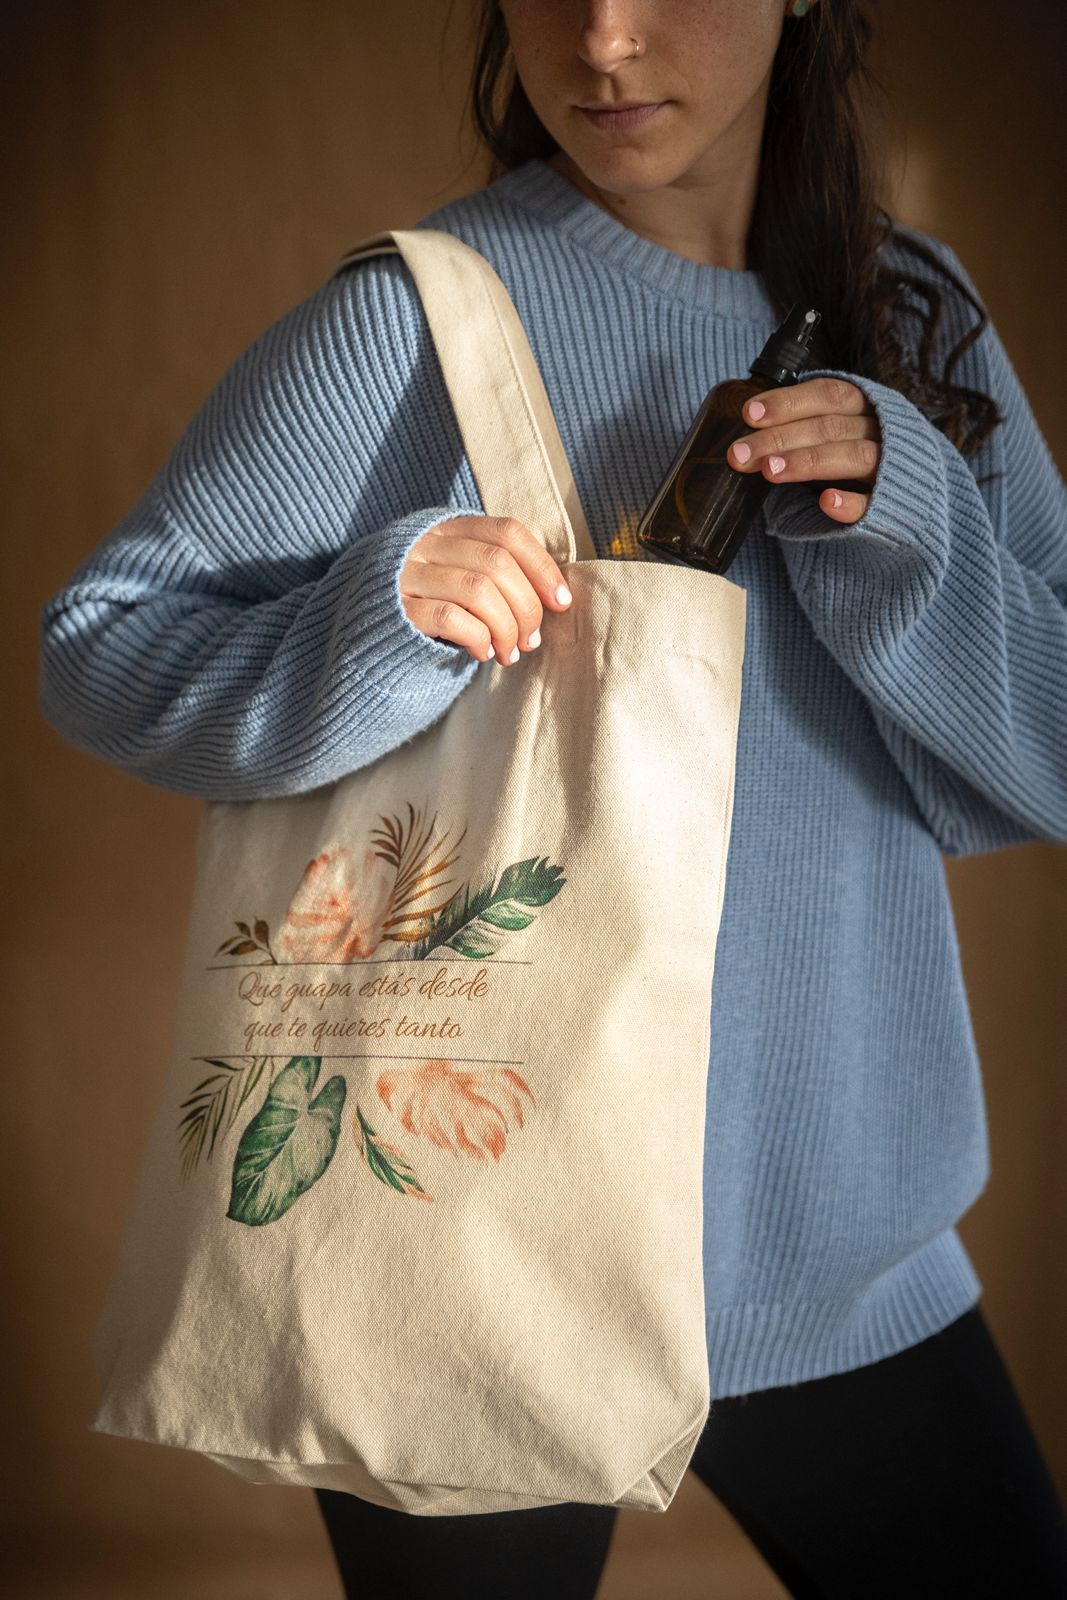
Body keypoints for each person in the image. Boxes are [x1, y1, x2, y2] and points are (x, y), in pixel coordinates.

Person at [37, 0, 1067, 1595]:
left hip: (844, 1251)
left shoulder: (914, 317)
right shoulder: (419, 318)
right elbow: (99, 651)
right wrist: (378, 620)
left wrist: (910, 523)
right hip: (464, 1263)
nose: (603, 37)